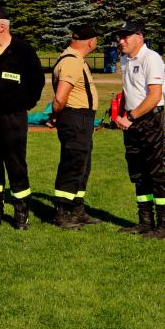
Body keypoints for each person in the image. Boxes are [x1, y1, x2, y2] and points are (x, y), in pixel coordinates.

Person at [0, 4, 44, 230]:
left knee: (15, 164)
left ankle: (21, 213)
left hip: (12, 119)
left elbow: (37, 82)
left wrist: (22, 105)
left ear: (2, 26)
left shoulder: (23, 51)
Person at [111, 22, 165, 239]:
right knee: (138, 171)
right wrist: (121, 113)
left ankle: (163, 224)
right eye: (120, 37)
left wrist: (131, 117)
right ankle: (145, 222)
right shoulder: (125, 60)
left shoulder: (151, 58)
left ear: (139, 37)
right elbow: (129, 91)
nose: (121, 41)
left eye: (126, 37)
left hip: (150, 121)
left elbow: (155, 96)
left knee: (157, 173)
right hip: (132, 121)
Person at [48, 24, 102, 229]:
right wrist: (55, 115)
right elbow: (60, 98)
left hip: (81, 119)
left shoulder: (75, 59)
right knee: (72, 164)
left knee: (82, 164)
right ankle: (62, 212)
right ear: (90, 41)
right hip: (75, 118)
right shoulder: (71, 62)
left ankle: (77, 209)